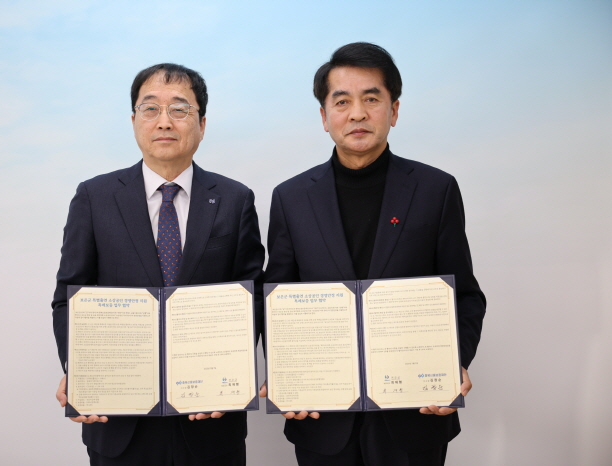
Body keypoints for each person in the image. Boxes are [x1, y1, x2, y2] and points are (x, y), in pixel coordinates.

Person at [263, 42, 486, 465]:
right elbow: (276, 300)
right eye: (341, 102)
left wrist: (451, 364)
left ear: (394, 110)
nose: (357, 114)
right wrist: (285, 373)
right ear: (324, 116)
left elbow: (466, 296)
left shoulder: (435, 190)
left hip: (415, 414)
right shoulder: (291, 198)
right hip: (322, 417)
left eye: (371, 99)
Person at [52, 63, 265, 466]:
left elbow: (251, 297)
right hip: (118, 421)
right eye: (150, 109)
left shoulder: (235, 200)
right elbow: (68, 296)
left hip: (210, 420)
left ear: (202, 123)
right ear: (134, 120)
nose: (164, 121)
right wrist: (79, 368)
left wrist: (229, 371)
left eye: (180, 110)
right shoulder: (95, 197)